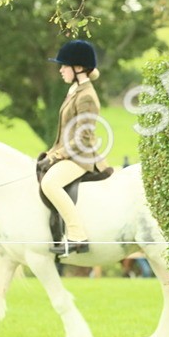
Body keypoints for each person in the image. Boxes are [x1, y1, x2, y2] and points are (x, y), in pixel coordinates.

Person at [40, 39, 110, 256]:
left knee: (50, 184)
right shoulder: (75, 90)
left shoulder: (87, 96)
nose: (60, 70)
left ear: (78, 68)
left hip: (82, 157)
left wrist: (57, 155)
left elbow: (84, 137)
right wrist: (52, 153)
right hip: (69, 154)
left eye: (64, 65)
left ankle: (77, 236)